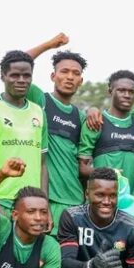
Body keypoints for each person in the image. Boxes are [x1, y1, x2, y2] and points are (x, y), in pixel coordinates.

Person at [0, 51, 48, 215]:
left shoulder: (39, 112)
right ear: (3, 76)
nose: (21, 80)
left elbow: (42, 164)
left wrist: (44, 206)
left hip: (31, 203)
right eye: (14, 75)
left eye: (26, 76)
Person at [25, 33, 87, 235]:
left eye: (75, 73)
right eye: (64, 71)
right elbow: (18, 63)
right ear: (53, 76)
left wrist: (95, 111)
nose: (70, 77)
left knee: (71, 254)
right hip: (46, 199)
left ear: (81, 81)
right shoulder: (40, 101)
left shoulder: (81, 117)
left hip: (76, 200)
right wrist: (49, 45)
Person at [78, 70, 134, 202]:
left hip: (132, 206)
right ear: (110, 91)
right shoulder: (96, 122)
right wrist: (106, 173)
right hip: (101, 204)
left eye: (131, 92)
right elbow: (81, 168)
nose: (127, 95)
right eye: (121, 90)